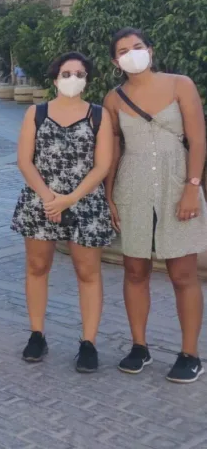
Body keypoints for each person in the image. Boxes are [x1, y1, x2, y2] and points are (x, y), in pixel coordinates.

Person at [104, 27, 207, 383]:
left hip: (176, 185)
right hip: (132, 188)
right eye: (123, 51)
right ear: (115, 62)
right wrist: (108, 195)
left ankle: (190, 353)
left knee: (183, 273)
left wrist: (192, 187)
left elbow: (198, 139)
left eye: (137, 46)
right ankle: (139, 346)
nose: (131, 54)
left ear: (150, 49)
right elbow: (114, 150)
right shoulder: (114, 99)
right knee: (135, 270)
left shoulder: (181, 84)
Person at [12, 52, 114, 372]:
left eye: (79, 74)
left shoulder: (99, 115)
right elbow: (24, 160)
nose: (73, 79)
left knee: (88, 273)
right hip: (41, 201)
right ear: (55, 78)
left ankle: (89, 342)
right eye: (66, 73)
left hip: (85, 203)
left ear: (87, 79)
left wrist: (69, 199)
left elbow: (102, 165)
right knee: (37, 267)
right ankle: (37, 334)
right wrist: (49, 199)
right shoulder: (36, 113)